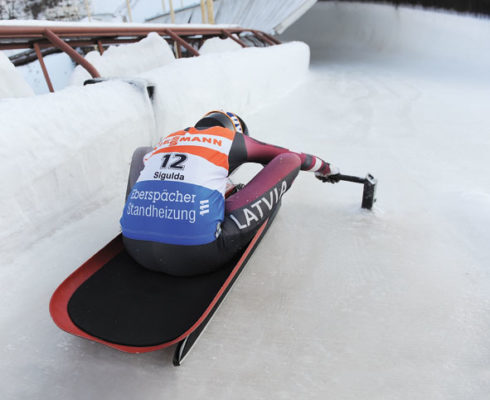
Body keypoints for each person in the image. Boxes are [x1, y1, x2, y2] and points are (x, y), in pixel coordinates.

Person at [120, 110, 340, 276]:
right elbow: (293, 156)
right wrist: (326, 169)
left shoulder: (170, 138)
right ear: (236, 130)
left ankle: (140, 218)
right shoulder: (231, 138)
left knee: (143, 153)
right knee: (288, 161)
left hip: (133, 246)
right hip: (199, 255)